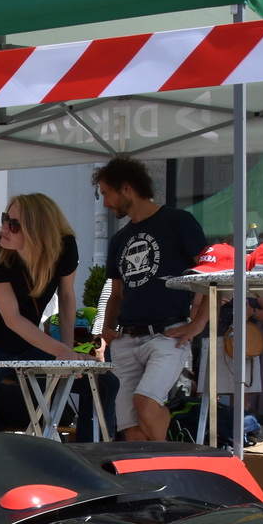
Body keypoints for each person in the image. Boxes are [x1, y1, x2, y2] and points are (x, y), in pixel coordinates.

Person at [94, 158, 208, 440]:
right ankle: (149, 469)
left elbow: (212, 276)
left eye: (106, 193)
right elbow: (117, 293)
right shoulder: (119, 238)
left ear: (126, 188)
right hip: (126, 339)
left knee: (145, 402)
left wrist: (197, 324)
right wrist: (107, 329)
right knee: (130, 428)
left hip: (167, 334)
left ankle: (168, 463)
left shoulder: (178, 221)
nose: (105, 203)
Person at [0, 193, 79, 431]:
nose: (4, 228)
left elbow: (66, 297)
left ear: (36, 230)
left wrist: (68, 351)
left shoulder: (65, 246)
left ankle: (88, 451)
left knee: (104, 383)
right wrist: (62, 352)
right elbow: (11, 318)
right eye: (5, 219)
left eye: (13, 224)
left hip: (26, 342)